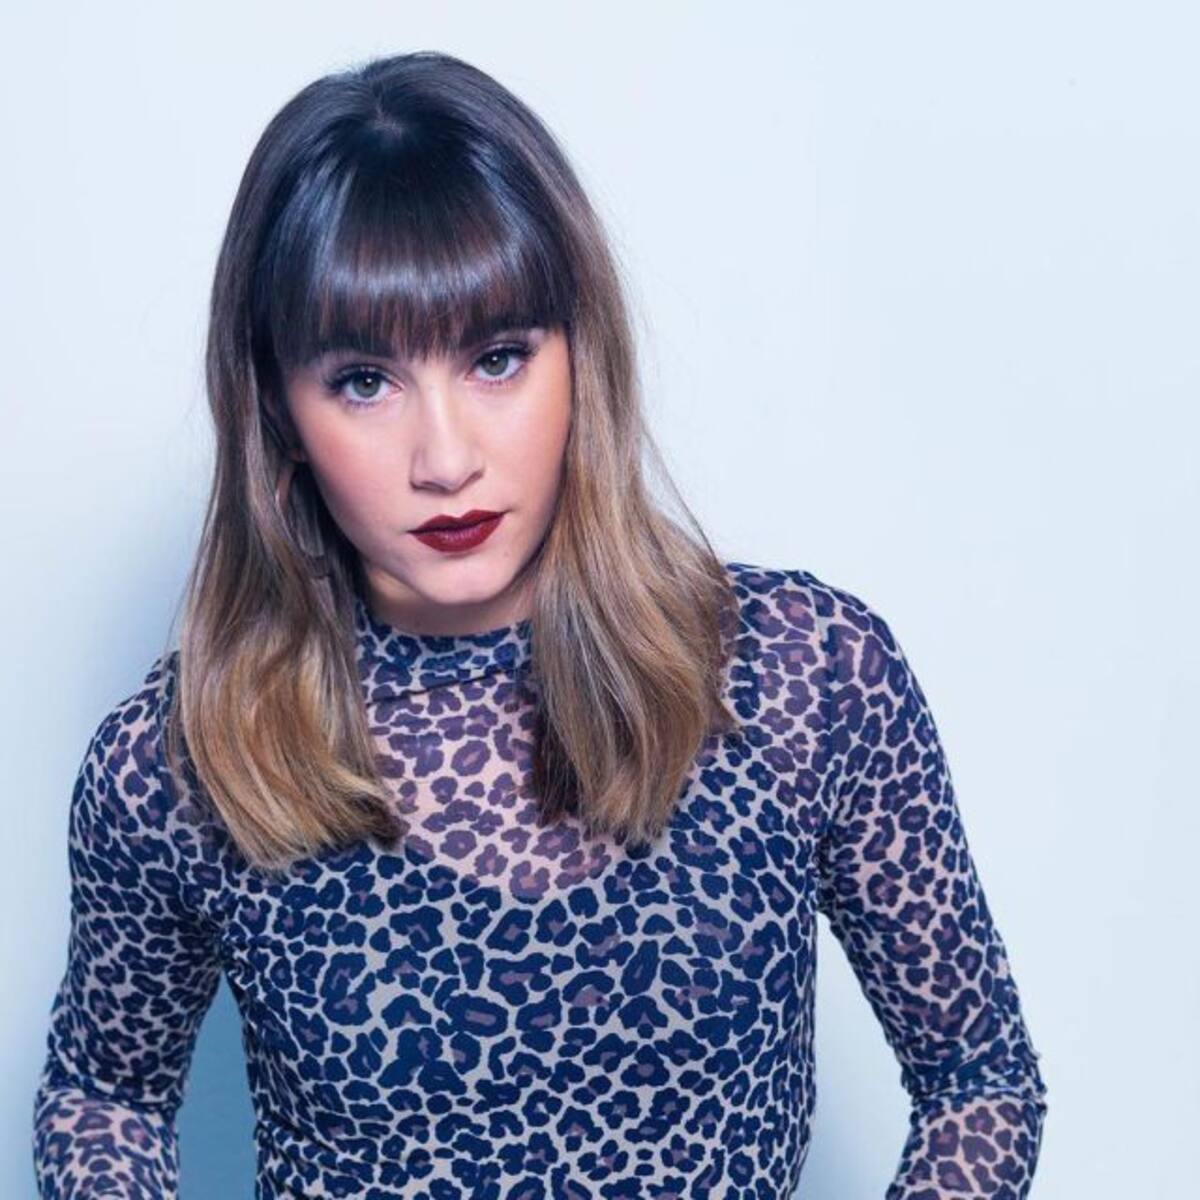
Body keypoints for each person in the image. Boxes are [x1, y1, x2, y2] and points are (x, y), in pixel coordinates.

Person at [30, 50, 1048, 1200]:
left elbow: (979, 1078)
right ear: (278, 407)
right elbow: (102, 1095)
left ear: (580, 354)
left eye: (498, 359)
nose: (445, 458)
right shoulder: (183, 762)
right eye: (364, 380)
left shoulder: (802, 675)